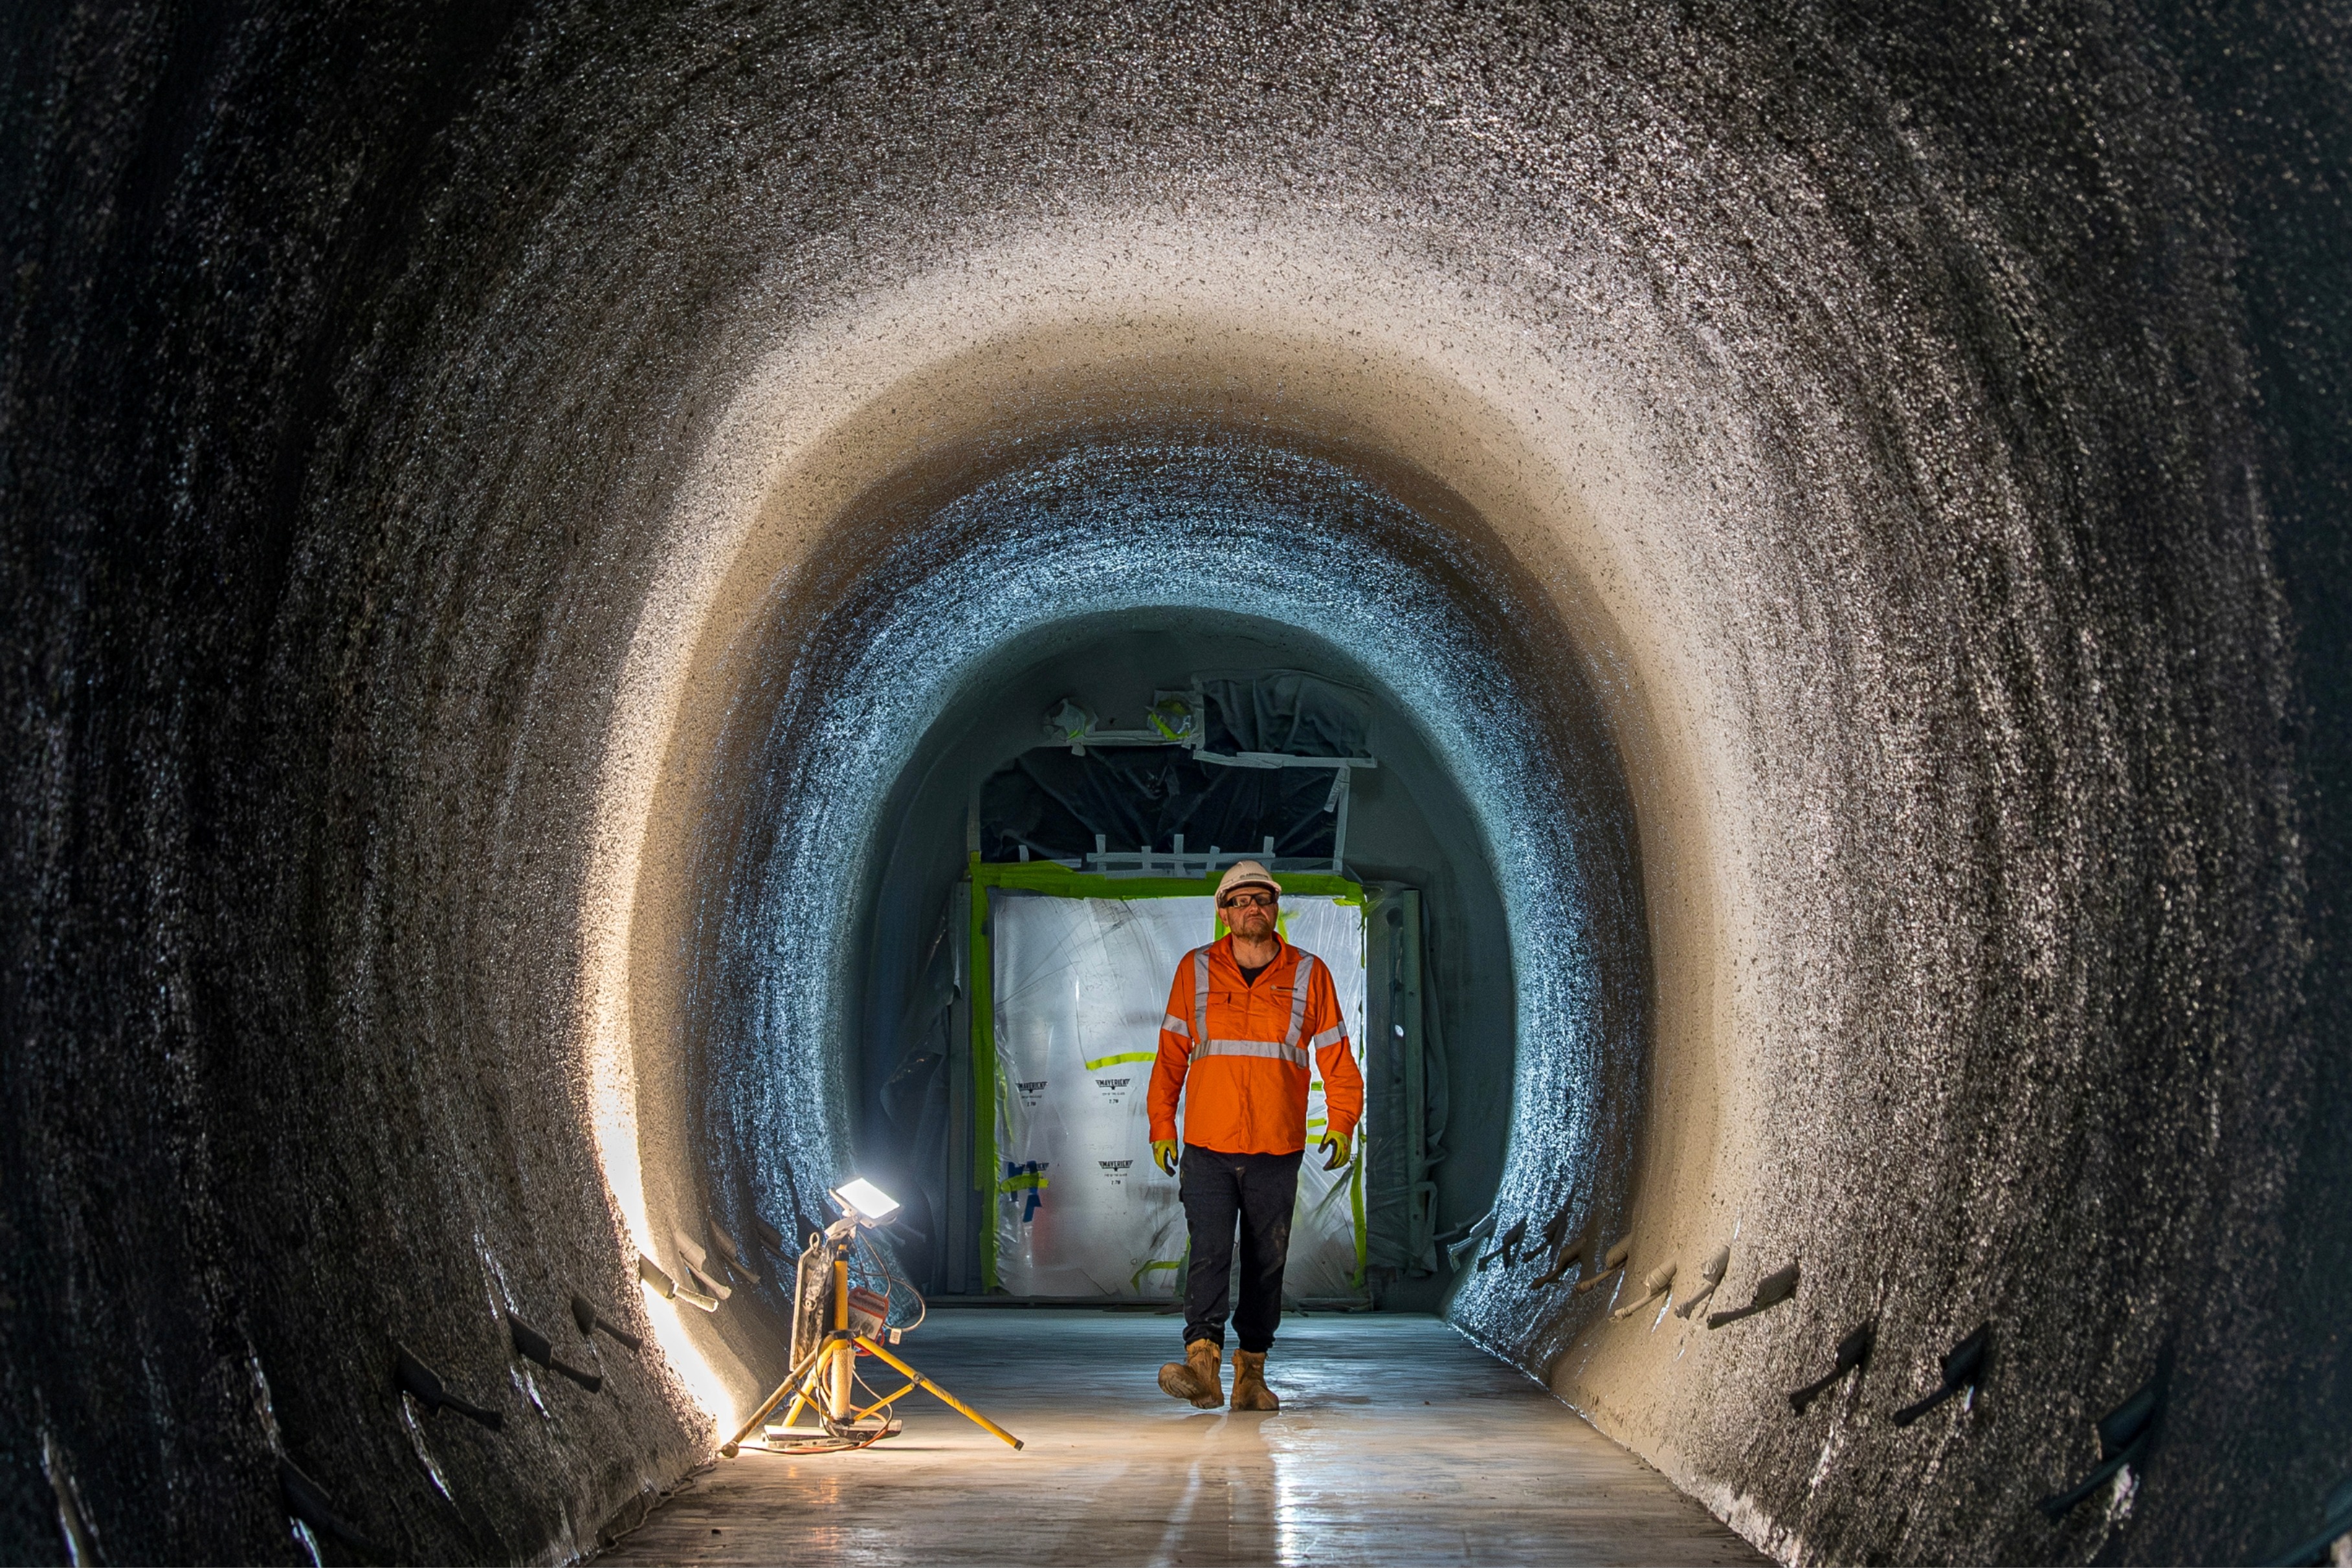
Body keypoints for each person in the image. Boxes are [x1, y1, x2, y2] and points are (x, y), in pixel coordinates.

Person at [1146, 861, 1364, 1411]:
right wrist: (1161, 1126)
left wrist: (1341, 1121)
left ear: (1275, 907)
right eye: (1240, 901)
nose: (1252, 909)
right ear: (1223, 912)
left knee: (1267, 1262)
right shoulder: (1194, 970)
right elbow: (1171, 1057)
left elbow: (1337, 1055)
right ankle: (1202, 1367)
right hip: (1209, 1145)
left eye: (1261, 900)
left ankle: (1250, 1376)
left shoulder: (1310, 973)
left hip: (1276, 1146)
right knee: (1210, 1253)